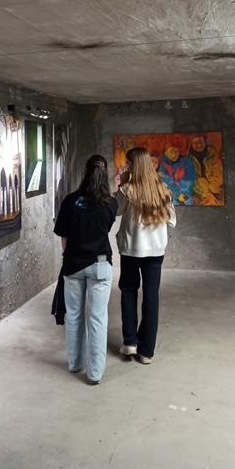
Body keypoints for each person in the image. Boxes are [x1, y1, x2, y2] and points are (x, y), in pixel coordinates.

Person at [53, 154, 117, 384]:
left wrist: (71, 255)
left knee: (74, 315)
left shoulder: (70, 201)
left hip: (73, 265)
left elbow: (64, 237)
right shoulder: (111, 203)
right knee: (97, 318)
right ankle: (95, 373)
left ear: (85, 171)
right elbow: (104, 229)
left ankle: (74, 363)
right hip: (100, 265)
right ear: (105, 174)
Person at [115, 147, 176, 364]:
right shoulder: (163, 189)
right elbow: (172, 221)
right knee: (151, 297)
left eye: (129, 163)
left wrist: (120, 185)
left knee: (128, 292)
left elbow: (115, 211)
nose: (127, 167)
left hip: (131, 250)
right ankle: (146, 351)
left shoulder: (127, 190)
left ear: (135, 165)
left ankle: (130, 342)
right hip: (155, 251)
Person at [188, 134, 224, 205]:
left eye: (201, 142)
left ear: (205, 142)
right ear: (191, 144)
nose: (199, 145)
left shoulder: (211, 152)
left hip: (212, 182)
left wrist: (213, 184)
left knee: (215, 191)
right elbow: (189, 176)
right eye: (196, 143)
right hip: (199, 185)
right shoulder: (188, 157)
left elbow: (218, 169)